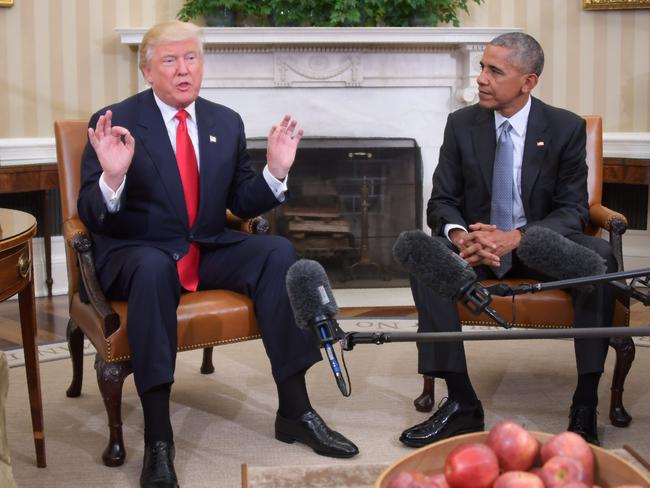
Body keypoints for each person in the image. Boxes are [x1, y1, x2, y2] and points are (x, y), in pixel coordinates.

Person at [78, 20, 358, 488]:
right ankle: (160, 439)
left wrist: (274, 172)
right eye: (170, 61)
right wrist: (112, 179)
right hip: (137, 253)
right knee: (151, 268)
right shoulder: (114, 122)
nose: (184, 70)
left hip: (204, 247)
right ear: (148, 71)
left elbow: (240, 202)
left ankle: (295, 409)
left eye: (192, 58)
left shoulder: (223, 121)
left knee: (277, 252)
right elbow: (92, 215)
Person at [399, 32, 616, 449]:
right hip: (478, 247)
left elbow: (572, 210)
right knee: (424, 257)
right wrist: (462, 237)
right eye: (481, 66)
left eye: (494, 71)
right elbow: (441, 201)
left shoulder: (564, 128)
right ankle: (461, 402)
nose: (481, 78)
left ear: (528, 81)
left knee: (600, 257)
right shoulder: (461, 124)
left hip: (535, 245)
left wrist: (516, 237)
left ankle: (585, 401)